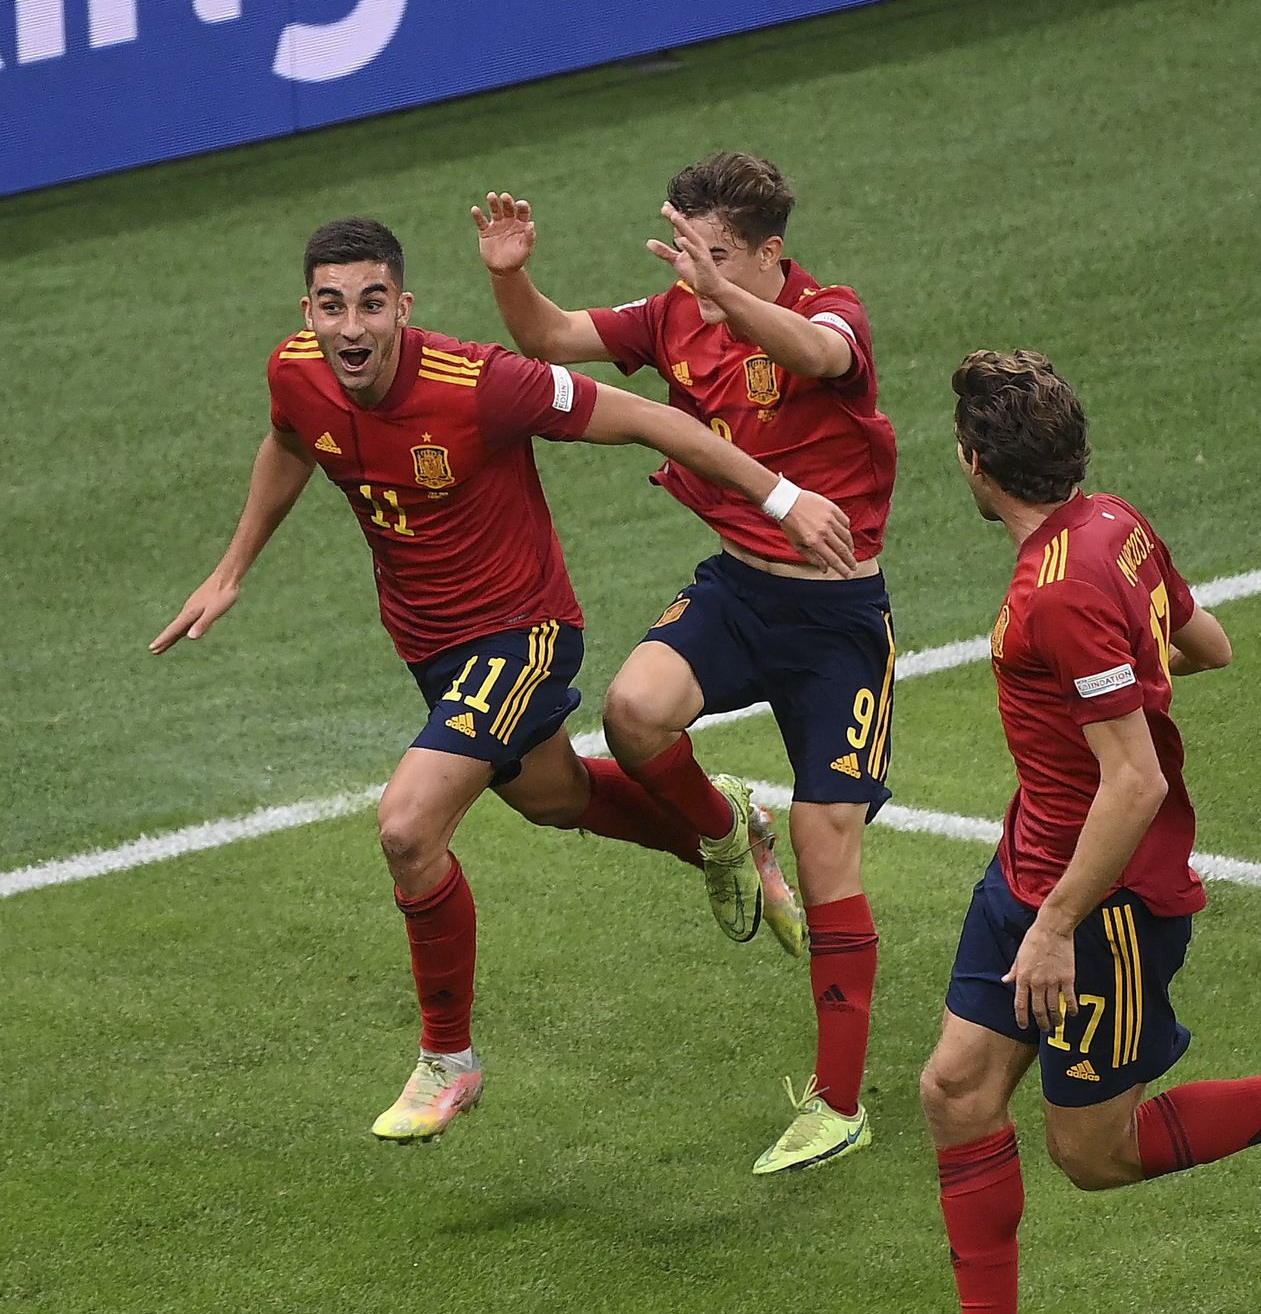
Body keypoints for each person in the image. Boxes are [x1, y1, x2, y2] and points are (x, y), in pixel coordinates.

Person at [151, 215, 855, 1144]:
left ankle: (449, 1060)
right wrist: (232, 566)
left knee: (408, 828)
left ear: (403, 307)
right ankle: (723, 829)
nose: (351, 328)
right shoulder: (297, 370)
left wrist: (780, 495)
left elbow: (649, 417)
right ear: (307, 312)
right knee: (555, 798)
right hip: (430, 646)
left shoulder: (481, 383)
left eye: (371, 304)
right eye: (332, 307)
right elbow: (290, 438)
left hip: (521, 635)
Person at [853, 350, 1261, 1314]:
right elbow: (1206, 641)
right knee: (954, 1091)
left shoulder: (1059, 591)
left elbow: (1134, 779)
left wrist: (1058, 925)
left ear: (976, 464)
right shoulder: (1111, 524)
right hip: (1033, 864)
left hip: (1103, 904)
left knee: (1097, 1153)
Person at [476, 153, 898, 1174]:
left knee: (826, 844)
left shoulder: (829, 314)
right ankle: (721, 832)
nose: (696, 272)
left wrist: (725, 300)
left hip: (840, 626)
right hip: (739, 594)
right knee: (633, 710)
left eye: (720, 256)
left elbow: (820, 354)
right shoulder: (671, 312)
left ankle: (839, 1103)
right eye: (689, 250)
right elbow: (549, 338)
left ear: (770, 254)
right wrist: (508, 274)